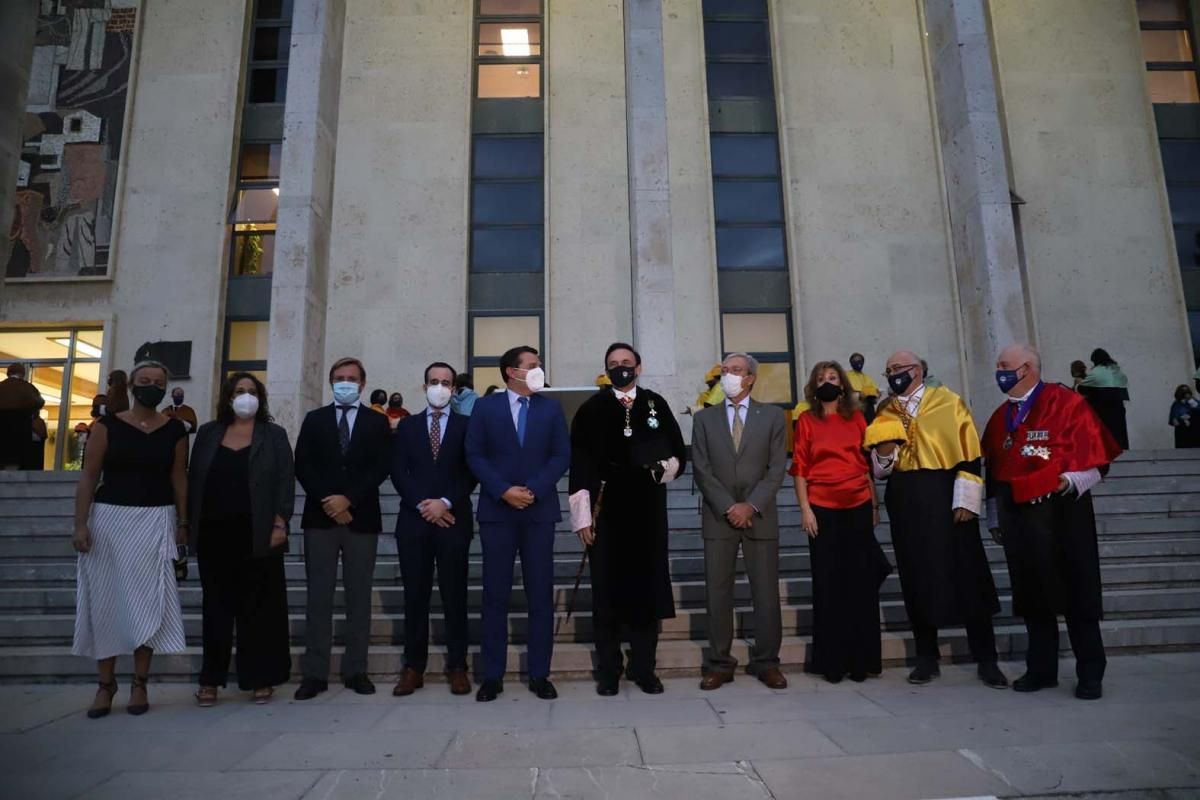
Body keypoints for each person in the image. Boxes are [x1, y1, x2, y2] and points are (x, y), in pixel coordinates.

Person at [983, 344, 1122, 700]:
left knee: (1078, 595)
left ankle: (1090, 673)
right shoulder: (1001, 418)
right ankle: (1041, 669)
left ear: (1027, 368)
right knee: (1033, 596)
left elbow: (1097, 462)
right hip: (1021, 520)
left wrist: (1069, 482)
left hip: (1064, 515)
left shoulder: (1067, 404)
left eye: (1004, 365)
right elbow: (994, 473)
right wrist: (995, 516)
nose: (998, 370)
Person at [865, 352, 1007, 688]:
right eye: (889, 370)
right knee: (916, 577)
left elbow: (970, 453)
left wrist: (968, 501)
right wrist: (883, 452)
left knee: (968, 575)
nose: (893, 374)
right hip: (906, 497)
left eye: (898, 368)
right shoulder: (885, 410)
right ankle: (926, 657)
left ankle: (986, 658)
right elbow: (879, 469)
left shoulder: (949, 401)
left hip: (946, 493)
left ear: (918, 370)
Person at [71, 361, 188, 718]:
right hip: (109, 520)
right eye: (145, 381)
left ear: (166, 387)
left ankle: (140, 682)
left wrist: (183, 524)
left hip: (155, 519)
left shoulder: (176, 430)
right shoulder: (106, 426)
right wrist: (80, 523)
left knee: (147, 603)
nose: (151, 386)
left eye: (158, 382)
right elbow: (89, 476)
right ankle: (105, 685)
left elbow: (179, 478)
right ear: (133, 385)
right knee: (105, 601)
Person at [569, 343, 686, 696]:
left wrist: (660, 470)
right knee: (606, 592)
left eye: (626, 363)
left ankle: (643, 667)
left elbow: (678, 452)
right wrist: (582, 519)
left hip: (647, 511)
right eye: (613, 364)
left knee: (645, 590)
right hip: (608, 512)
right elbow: (580, 467)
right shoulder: (591, 410)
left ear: (639, 367)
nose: (621, 368)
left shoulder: (655, 404)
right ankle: (608, 669)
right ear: (606, 369)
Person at [465, 345, 570, 702]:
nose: (538, 370)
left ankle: (540, 673)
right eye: (532, 365)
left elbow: (561, 455)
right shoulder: (485, 407)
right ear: (512, 371)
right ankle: (492, 675)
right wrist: (503, 490)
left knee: (540, 594)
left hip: (539, 512)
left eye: (539, 365)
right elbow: (474, 453)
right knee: (495, 594)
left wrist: (535, 489)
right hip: (498, 512)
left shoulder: (551, 408)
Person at [188, 372, 294, 706]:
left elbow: (285, 481)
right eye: (239, 391)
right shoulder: (208, 433)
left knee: (258, 608)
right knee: (216, 608)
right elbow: (194, 481)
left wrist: (280, 522)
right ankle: (210, 679)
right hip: (213, 535)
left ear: (260, 398)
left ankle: (259, 677)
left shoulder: (273, 435)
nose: (245, 396)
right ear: (227, 397)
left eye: (251, 391)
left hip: (259, 535)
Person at [292, 357, 392, 700]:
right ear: (331, 383)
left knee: (358, 596)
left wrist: (349, 499)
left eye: (351, 378)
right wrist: (329, 500)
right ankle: (315, 674)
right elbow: (302, 464)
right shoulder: (315, 419)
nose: (345, 382)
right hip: (320, 519)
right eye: (339, 378)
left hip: (361, 517)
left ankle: (356, 670)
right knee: (318, 596)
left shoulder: (376, 423)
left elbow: (382, 466)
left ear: (362, 384)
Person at [691, 353, 789, 690]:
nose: (728, 376)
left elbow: (777, 468)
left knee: (765, 594)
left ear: (750, 378)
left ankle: (767, 662)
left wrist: (751, 505)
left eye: (735, 371)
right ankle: (719, 664)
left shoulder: (774, 417)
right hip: (719, 519)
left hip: (760, 517)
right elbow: (701, 469)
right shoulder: (704, 419)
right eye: (725, 371)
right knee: (717, 594)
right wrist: (728, 507)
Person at [791, 361, 889, 683]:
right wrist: (805, 509)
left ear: (844, 384)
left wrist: (874, 504)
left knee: (860, 584)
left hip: (858, 504)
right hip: (822, 509)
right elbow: (801, 468)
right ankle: (831, 661)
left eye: (832, 377)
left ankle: (861, 660)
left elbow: (866, 464)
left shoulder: (858, 417)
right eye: (821, 379)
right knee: (828, 584)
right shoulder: (806, 420)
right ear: (813, 386)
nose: (827, 382)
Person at [391, 362, 477, 697]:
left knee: (455, 595)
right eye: (433, 381)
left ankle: (458, 666)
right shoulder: (407, 426)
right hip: (414, 522)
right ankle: (413, 667)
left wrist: (444, 501)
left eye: (446, 382)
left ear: (454, 389)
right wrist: (426, 505)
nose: (439, 387)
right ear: (423, 385)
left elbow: (471, 471)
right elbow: (398, 471)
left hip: (454, 520)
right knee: (415, 597)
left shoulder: (468, 426)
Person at [1077, 348, 1130, 449]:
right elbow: (1123, 382)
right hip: (1118, 407)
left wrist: (1078, 384)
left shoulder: (1097, 371)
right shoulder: (1116, 370)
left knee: (1104, 436)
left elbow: (1082, 388)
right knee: (1118, 433)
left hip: (1102, 408)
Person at [0, 363, 45, 470]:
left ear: (8, 373)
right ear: (23, 373)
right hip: (21, 426)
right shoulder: (27, 387)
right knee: (19, 456)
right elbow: (39, 402)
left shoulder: (1, 386)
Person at [846, 353, 881, 422]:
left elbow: (876, 391)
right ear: (851, 363)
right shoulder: (846, 375)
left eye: (860, 360)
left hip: (868, 406)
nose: (858, 362)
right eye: (855, 360)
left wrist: (877, 394)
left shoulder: (868, 377)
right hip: (855, 405)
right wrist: (858, 394)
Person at [1169, 384, 1200, 449]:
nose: (1186, 395)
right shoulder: (1177, 404)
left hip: (1195, 432)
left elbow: (1197, 409)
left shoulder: (1193, 401)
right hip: (1182, 433)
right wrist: (1179, 420)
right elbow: (1174, 418)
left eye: (1187, 393)